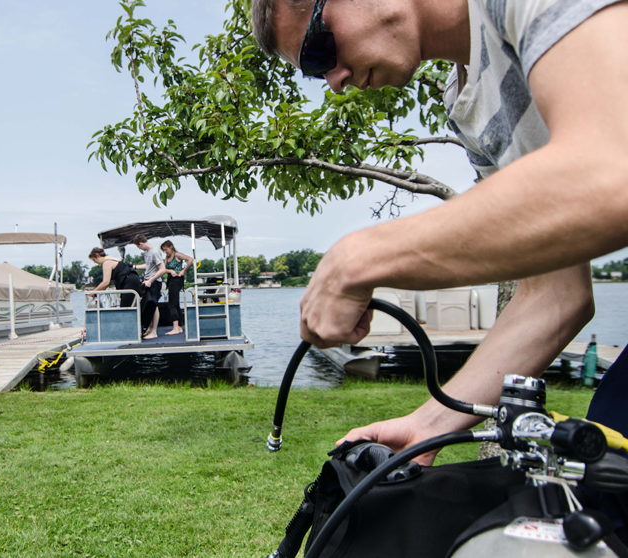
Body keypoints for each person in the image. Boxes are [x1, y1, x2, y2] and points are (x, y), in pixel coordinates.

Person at [252, 0, 628, 465]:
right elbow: (554, 295)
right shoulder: (464, 99)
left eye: (317, 51)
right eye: (314, 72)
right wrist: (428, 427)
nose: (334, 82)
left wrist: (362, 258)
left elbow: (613, 171)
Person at [87, 247, 154, 328]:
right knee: (128, 307)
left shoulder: (107, 262)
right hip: (132, 280)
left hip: (129, 282)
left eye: (94, 260)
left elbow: (106, 282)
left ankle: (127, 330)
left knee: (125, 309)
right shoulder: (113, 259)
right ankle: (131, 328)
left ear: (97, 255)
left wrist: (94, 292)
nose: (95, 263)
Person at [132, 234, 166, 340]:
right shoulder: (147, 252)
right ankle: (149, 329)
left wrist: (151, 280)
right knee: (148, 306)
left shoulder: (155, 252)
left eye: (138, 247)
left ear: (141, 243)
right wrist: (134, 267)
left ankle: (154, 331)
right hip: (147, 281)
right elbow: (148, 265)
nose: (139, 249)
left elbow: (162, 269)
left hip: (154, 282)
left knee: (154, 305)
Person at [160, 240, 194, 335]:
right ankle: (179, 326)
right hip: (171, 279)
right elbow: (164, 269)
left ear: (171, 247)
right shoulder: (167, 257)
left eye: (166, 249)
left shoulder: (177, 255)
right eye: (164, 250)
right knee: (175, 302)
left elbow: (190, 259)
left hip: (177, 279)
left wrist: (183, 270)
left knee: (171, 304)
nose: (165, 252)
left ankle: (175, 327)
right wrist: (170, 271)